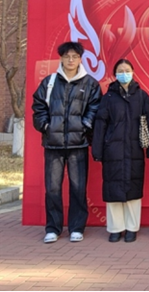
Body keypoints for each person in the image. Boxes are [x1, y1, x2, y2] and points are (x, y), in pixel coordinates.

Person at [31, 41, 102, 244]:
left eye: (75, 57)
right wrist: (46, 126)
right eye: (67, 56)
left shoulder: (90, 83)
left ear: (80, 59)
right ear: (61, 58)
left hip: (78, 144)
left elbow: (95, 107)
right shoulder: (50, 82)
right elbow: (38, 106)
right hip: (52, 144)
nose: (71, 60)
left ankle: (77, 228)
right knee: (52, 188)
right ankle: (53, 228)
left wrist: (84, 125)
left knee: (78, 188)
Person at [91, 59, 149, 243]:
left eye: (127, 70)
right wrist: (98, 150)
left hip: (135, 150)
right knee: (113, 189)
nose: (124, 73)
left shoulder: (142, 96)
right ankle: (115, 228)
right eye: (120, 71)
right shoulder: (108, 97)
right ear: (115, 74)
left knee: (133, 189)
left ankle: (132, 228)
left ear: (133, 72)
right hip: (113, 150)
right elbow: (100, 124)